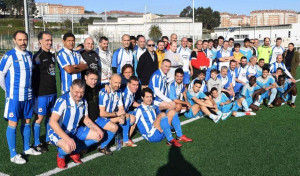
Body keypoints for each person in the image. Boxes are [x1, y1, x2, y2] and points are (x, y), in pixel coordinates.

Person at [0, 30, 41, 164]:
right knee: (13, 123)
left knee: (27, 121)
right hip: (14, 97)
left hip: (28, 96)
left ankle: (26, 148)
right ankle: (13, 155)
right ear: (14, 40)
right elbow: (1, 74)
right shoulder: (9, 56)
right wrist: (8, 90)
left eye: (25, 39)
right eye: (20, 40)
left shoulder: (29, 55)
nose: (23, 42)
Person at [48, 79, 103, 168]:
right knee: (68, 147)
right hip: (58, 132)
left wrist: (98, 129)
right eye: (76, 92)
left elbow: (86, 118)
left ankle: (74, 151)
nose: (79, 95)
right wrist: (67, 139)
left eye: (82, 92)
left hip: (75, 130)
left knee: (98, 136)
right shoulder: (62, 100)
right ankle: (61, 156)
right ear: (70, 89)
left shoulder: (83, 101)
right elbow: (52, 122)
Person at [32, 31, 57, 152]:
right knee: (39, 118)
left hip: (53, 91)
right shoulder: (37, 57)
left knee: (50, 116)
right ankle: (37, 143)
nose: (50, 42)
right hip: (41, 93)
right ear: (40, 41)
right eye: (47, 40)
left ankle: (48, 138)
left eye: (50, 40)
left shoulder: (52, 55)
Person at [97, 74, 131, 154]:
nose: (117, 85)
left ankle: (125, 140)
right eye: (115, 82)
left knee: (127, 116)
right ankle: (102, 146)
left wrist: (122, 116)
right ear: (110, 81)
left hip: (110, 116)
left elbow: (121, 109)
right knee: (115, 127)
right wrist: (117, 114)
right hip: (100, 119)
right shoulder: (103, 92)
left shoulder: (118, 92)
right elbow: (101, 113)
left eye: (119, 83)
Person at [121, 76, 141, 145]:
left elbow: (131, 102)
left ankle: (126, 137)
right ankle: (125, 138)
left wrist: (141, 106)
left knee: (138, 112)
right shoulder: (125, 93)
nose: (136, 87)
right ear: (128, 84)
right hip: (118, 115)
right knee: (132, 118)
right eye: (133, 85)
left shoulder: (131, 91)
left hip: (125, 112)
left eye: (137, 85)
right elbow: (121, 109)